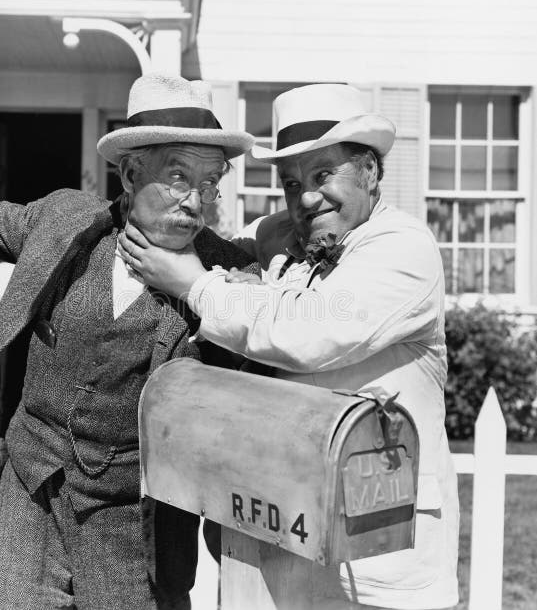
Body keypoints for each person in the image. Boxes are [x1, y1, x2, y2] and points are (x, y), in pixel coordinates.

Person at [0, 73, 257, 610]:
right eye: (178, 176)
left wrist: (203, 285)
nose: (195, 200)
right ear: (130, 173)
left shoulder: (225, 276)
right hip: (31, 489)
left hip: (135, 522)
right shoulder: (64, 223)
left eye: (209, 182)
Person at [118, 83, 460, 609]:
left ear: (369, 171)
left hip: (376, 543)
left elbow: (306, 333)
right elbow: (210, 244)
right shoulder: (281, 235)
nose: (306, 197)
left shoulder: (404, 248)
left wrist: (196, 285)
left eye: (324, 175)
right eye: (291, 182)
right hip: (281, 533)